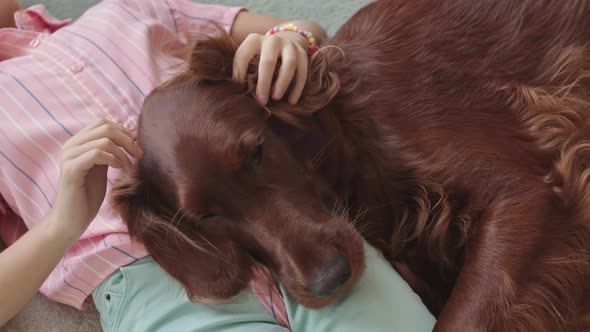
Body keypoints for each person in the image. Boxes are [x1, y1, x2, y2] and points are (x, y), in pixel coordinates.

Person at [0, 0, 435, 330]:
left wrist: (290, 42)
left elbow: (301, 31)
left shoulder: (121, 11)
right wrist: (62, 224)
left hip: (288, 218)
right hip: (145, 277)